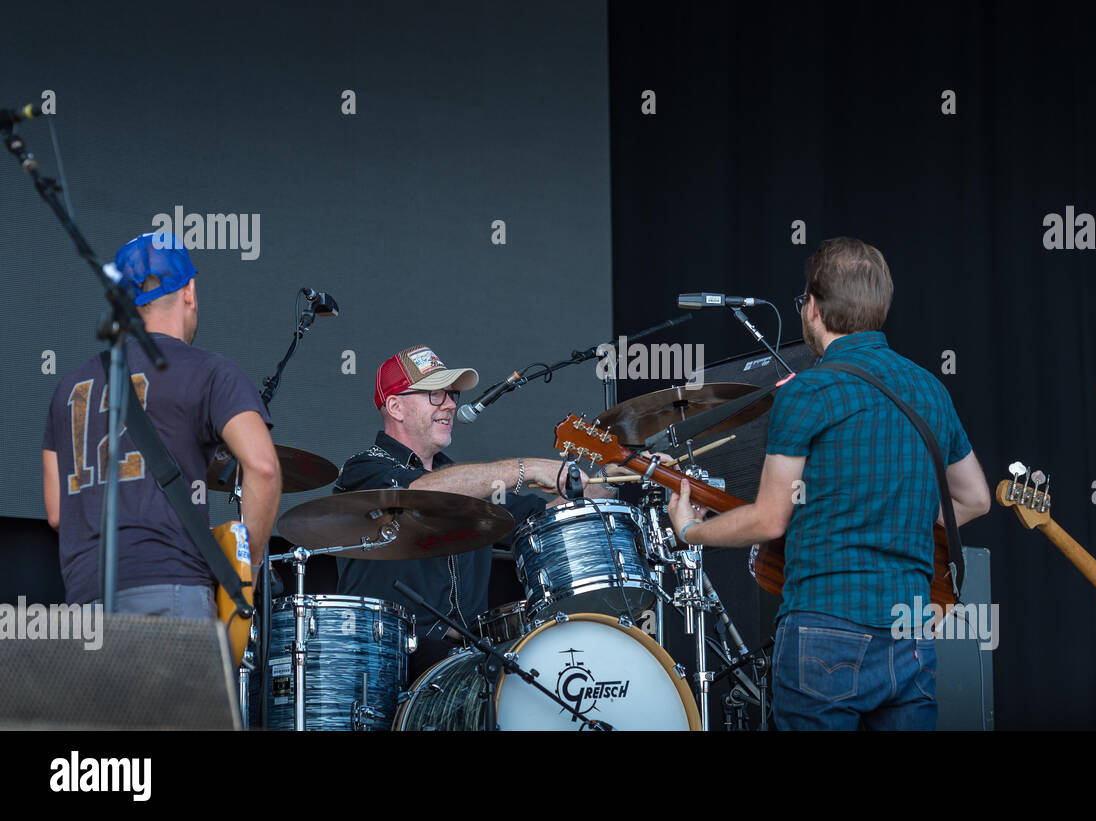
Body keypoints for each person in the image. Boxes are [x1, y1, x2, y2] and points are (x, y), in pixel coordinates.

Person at [667, 237, 990, 730]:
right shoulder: (930, 389)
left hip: (825, 627)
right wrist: (894, 515)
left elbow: (771, 517)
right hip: (912, 631)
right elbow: (975, 499)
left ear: (813, 307)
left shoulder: (809, 392)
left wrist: (690, 532)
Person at [334, 345, 618, 680]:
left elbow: (543, 518)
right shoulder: (365, 468)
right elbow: (420, 495)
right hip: (385, 657)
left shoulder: (465, 484)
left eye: (451, 395)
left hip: (462, 659)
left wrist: (614, 475)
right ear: (395, 406)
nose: (451, 405)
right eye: (436, 395)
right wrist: (526, 468)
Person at [41, 232, 281, 619]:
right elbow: (264, 468)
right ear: (189, 290)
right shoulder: (211, 372)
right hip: (171, 592)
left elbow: (56, 512)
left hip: (84, 603)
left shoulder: (69, 387)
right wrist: (245, 570)